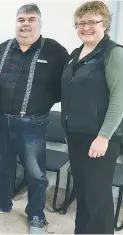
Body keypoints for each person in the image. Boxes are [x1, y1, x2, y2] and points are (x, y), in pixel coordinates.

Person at [0, 3, 69, 234]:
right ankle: (2, 203)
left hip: (33, 124)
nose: (25, 24)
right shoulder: (2, 49)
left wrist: (41, 105)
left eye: (31, 19)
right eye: (21, 20)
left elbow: (64, 86)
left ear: (40, 23)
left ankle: (36, 216)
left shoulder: (54, 51)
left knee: (35, 173)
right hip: (0, 122)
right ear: (16, 23)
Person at [61, 1, 123, 234]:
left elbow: (119, 99)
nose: (86, 27)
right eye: (81, 23)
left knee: (97, 197)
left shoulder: (113, 53)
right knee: (84, 193)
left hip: (99, 138)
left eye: (92, 22)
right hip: (76, 135)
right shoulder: (75, 55)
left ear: (105, 24)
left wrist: (104, 136)